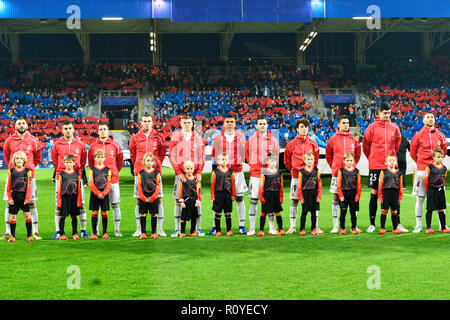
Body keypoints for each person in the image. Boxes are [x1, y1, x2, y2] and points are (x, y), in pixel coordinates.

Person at [362, 102, 402, 233]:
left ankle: (398, 223)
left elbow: (396, 145)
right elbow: (366, 147)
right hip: (375, 165)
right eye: (385, 113)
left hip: (391, 166)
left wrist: (391, 160)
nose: (387, 115)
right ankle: (372, 224)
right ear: (379, 112)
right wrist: (373, 158)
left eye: (389, 113)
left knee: (394, 193)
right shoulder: (371, 128)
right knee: (374, 193)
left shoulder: (395, 128)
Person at [1, 118, 42, 241]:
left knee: (31, 203)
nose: (21, 125)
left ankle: (35, 232)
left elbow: (38, 158)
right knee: (9, 202)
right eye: (19, 123)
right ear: (15, 126)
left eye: (23, 123)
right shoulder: (9, 140)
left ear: (27, 125)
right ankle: (8, 232)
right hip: (12, 176)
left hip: (29, 176)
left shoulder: (34, 141)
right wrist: (13, 169)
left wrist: (28, 168)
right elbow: (7, 157)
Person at [209, 114, 248, 235]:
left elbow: (244, 151)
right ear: (224, 124)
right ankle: (216, 226)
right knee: (218, 199)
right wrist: (221, 167)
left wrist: (238, 162)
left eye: (232, 121)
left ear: (235, 123)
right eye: (227, 122)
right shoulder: (218, 137)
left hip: (236, 172)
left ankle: (242, 225)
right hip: (222, 173)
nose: (230, 124)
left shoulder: (240, 136)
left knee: (239, 198)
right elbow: (214, 153)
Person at [129, 113, 167, 237]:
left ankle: (160, 229)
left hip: (155, 173)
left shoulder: (158, 137)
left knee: (159, 199)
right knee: (139, 200)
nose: (146, 123)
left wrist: (156, 165)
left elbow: (161, 154)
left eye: (149, 121)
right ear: (141, 122)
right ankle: (139, 229)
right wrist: (139, 166)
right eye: (144, 121)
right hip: (140, 173)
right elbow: (133, 155)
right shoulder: (135, 137)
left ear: (152, 122)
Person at [410, 112, 448, 233]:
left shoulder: (441, 136)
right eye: (428, 117)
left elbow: (443, 152)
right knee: (420, 198)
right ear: (423, 120)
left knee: (440, 198)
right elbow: (412, 152)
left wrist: (436, 165)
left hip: (437, 172)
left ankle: (442, 225)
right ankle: (419, 225)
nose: (430, 119)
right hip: (422, 171)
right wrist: (421, 164)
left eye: (432, 117)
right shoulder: (418, 136)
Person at [169, 115, 205, 237]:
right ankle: (177, 229)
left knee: (197, 201)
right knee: (178, 201)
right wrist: (178, 172)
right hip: (180, 175)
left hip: (194, 176)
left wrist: (199, 172)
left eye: (188, 122)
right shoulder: (175, 138)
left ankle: (198, 228)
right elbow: (172, 156)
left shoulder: (198, 139)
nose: (186, 124)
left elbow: (202, 157)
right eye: (184, 122)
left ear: (192, 123)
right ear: (180, 123)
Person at [51, 121, 88, 239]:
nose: (68, 130)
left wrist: (78, 173)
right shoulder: (57, 144)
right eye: (65, 128)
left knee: (80, 204)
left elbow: (82, 162)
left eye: (70, 128)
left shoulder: (80, 144)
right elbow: (55, 161)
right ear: (62, 130)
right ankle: (58, 231)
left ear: (73, 130)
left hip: (76, 178)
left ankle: (83, 230)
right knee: (59, 205)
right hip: (61, 178)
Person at [283, 118, 320, 234]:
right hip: (296, 177)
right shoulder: (291, 144)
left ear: (308, 128)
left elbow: (316, 160)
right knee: (294, 200)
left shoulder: (313, 144)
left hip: (310, 177)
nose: (304, 129)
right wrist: (295, 171)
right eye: (301, 127)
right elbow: (286, 161)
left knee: (314, 201)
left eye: (305, 127)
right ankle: (292, 226)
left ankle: (316, 226)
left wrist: (310, 171)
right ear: (297, 129)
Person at [245, 115, 280, 236]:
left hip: (268, 175)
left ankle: (271, 227)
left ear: (267, 125)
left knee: (269, 201)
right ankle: (252, 227)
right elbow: (247, 155)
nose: (262, 126)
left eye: (264, 124)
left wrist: (270, 170)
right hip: (255, 174)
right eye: (260, 124)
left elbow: (275, 156)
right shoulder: (251, 140)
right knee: (253, 200)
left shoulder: (273, 140)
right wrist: (254, 165)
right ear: (256, 125)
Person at [326, 115, 361, 233]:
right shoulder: (332, 139)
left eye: (347, 123)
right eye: (344, 123)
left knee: (353, 198)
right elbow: (329, 156)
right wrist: (335, 167)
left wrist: (351, 167)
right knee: (336, 197)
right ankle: (336, 226)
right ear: (338, 125)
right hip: (337, 173)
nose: (346, 125)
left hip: (351, 174)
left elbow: (357, 155)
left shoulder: (354, 139)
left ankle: (354, 225)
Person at [88, 123, 124, 237]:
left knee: (115, 204)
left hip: (112, 180)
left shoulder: (116, 146)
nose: (103, 131)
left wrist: (113, 173)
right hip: (97, 182)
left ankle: (117, 230)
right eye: (100, 130)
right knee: (97, 208)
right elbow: (90, 162)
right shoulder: (93, 146)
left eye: (104, 129)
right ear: (98, 132)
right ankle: (96, 231)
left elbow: (120, 163)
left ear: (108, 132)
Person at [5, 151, 33, 242]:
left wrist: (27, 199)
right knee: (13, 216)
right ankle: (12, 236)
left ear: (24, 160)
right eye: (17, 158)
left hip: (24, 196)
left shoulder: (28, 171)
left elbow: (29, 186)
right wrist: (9, 198)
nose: (19, 160)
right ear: (14, 160)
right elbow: (8, 186)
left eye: (21, 158)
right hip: (14, 196)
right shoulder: (11, 171)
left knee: (27, 215)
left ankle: (29, 235)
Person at [56, 154, 83, 241]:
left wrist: (80, 201)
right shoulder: (62, 174)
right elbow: (59, 188)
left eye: (70, 162)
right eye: (67, 162)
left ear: (74, 163)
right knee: (63, 216)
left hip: (74, 198)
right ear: (64, 163)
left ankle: (74, 233)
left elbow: (79, 189)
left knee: (74, 216)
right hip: (65, 198)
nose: (68, 164)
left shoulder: (77, 175)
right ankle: (62, 234)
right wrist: (59, 201)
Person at [258, 154, 286, 237]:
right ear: (267, 162)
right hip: (267, 195)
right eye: (271, 161)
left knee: (278, 212)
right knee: (264, 213)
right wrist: (261, 197)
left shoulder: (279, 172)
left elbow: (281, 186)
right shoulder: (264, 173)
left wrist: (281, 196)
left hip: (276, 194)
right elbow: (261, 186)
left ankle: (281, 229)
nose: (273, 163)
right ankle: (261, 230)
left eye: (274, 161)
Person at [423, 148, 449, 234]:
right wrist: (428, 191)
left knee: (441, 209)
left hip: (441, 191)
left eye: (441, 157)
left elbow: (444, 179)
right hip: (431, 191)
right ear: (433, 157)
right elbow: (426, 180)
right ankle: (428, 227)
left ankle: (443, 227)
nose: (440, 159)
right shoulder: (429, 167)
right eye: (438, 157)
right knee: (430, 209)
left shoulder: (444, 168)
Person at [88, 149, 112, 240]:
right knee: (94, 212)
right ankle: (94, 233)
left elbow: (109, 183)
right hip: (95, 194)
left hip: (104, 194)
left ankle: (104, 233)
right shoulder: (92, 170)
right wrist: (98, 193)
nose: (100, 159)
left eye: (102, 157)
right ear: (95, 158)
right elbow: (90, 183)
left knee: (104, 212)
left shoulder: (108, 170)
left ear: (104, 158)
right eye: (98, 157)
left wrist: (104, 193)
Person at [137, 153, 162, 240]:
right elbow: (139, 186)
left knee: (153, 214)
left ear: (154, 162)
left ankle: (154, 232)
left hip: (153, 198)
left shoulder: (156, 173)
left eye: (151, 161)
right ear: (144, 162)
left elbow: (158, 186)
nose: (149, 162)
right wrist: (143, 198)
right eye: (148, 160)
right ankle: (143, 233)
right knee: (143, 214)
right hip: (144, 197)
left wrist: (153, 197)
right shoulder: (141, 173)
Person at [211, 153, 236, 236]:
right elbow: (213, 185)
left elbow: (233, 184)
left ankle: (229, 230)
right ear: (218, 161)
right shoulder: (215, 172)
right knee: (218, 213)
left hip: (228, 195)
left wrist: (233, 195)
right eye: (222, 159)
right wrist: (212, 197)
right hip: (218, 195)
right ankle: (218, 230)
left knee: (228, 213)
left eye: (226, 159)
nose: (224, 161)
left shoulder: (231, 172)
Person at [297, 152, 322, 236]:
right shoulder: (301, 172)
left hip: (314, 194)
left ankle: (313, 229)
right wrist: (300, 197)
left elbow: (319, 184)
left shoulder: (316, 171)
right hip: (305, 194)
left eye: (311, 159)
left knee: (313, 212)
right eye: (308, 159)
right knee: (304, 212)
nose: (310, 161)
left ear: (314, 160)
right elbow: (299, 185)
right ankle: (302, 229)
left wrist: (319, 195)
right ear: (304, 160)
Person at [377, 155, 403, 235]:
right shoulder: (383, 172)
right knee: (384, 210)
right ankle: (382, 228)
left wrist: (400, 197)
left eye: (393, 160)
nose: (392, 162)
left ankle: (395, 228)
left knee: (394, 211)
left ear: (396, 162)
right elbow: (380, 184)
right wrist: (380, 196)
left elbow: (400, 186)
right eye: (390, 160)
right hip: (386, 193)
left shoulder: (399, 173)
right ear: (386, 163)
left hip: (395, 194)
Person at [336, 153, 361, 235]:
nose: (349, 162)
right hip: (344, 194)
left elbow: (359, 185)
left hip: (353, 195)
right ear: (344, 161)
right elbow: (339, 185)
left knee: (353, 213)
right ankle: (342, 228)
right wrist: (340, 196)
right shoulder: (341, 171)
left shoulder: (356, 171)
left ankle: (353, 228)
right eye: (347, 161)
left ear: (353, 161)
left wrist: (357, 196)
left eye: (351, 161)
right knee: (343, 213)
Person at [178, 161, 202, 238]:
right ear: (184, 170)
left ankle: (192, 231)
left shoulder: (196, 180)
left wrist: (198, 200)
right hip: (185, 202)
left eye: (191, 168)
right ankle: (182, 232)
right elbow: (180, 190)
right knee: (184, 217)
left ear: (193, 169)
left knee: (194, 217)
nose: (189, 170)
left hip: (194, 202)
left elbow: (199, 191)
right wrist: (181, 201)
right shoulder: (183, 180)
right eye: (188, 169)